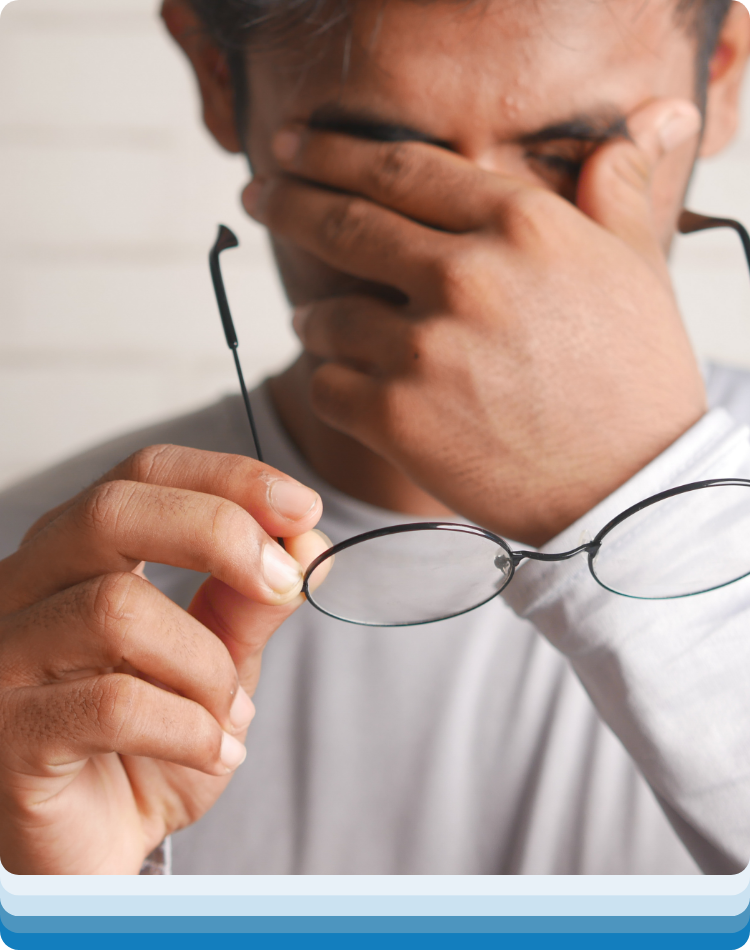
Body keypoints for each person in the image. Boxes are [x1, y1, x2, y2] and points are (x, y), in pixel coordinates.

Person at [0, 0, 749, 876]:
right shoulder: (36, 602)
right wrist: (67, 908)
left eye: (563, 156)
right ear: (216, 74)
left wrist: (653, 512)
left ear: (723, 68)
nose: (481, 246)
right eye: (385, 160)